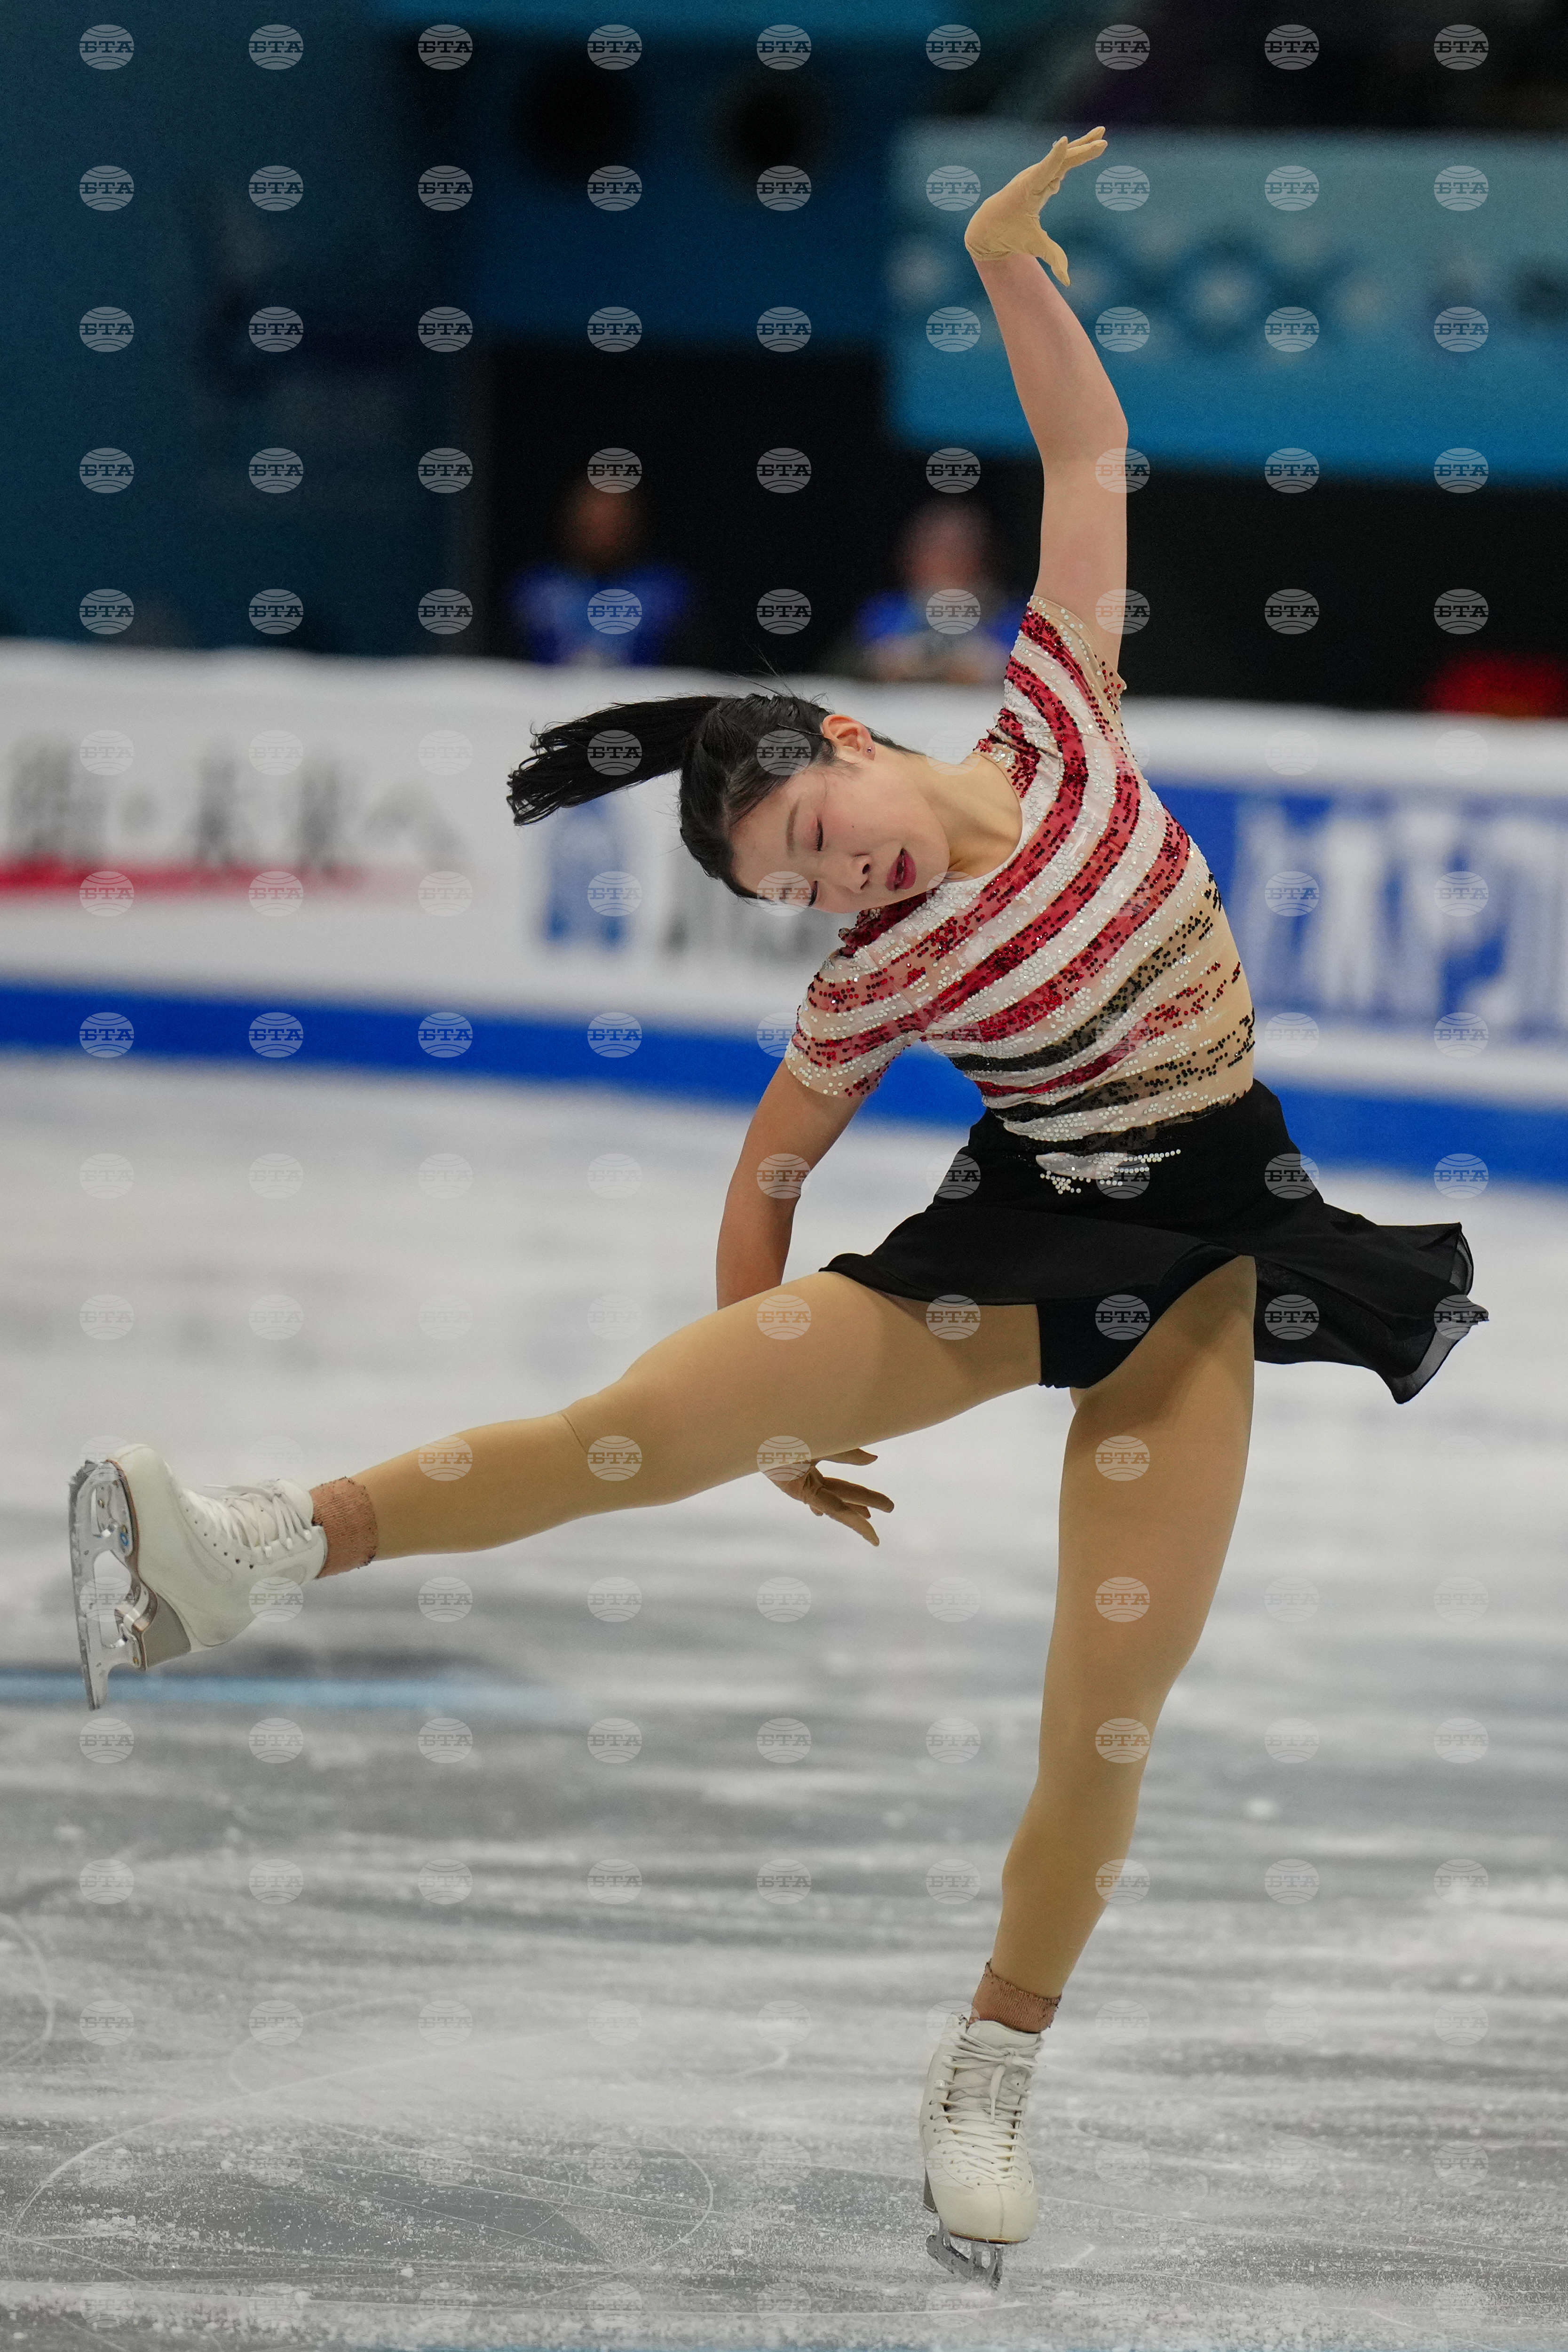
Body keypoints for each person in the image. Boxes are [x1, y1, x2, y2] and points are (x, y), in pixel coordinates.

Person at [70, 134, 1486, 2291]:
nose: (839, 878)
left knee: (1106, 1701)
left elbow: (1083, 450)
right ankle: (254, 1547)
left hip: (1210, 1249)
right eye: (795, 886)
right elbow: (771, 1169)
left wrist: (1006, 257)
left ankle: (990, 2063)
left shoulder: (1059, 711)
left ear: (847, 737)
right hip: (1014, 1238)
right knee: (636, 1430)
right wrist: (769, 1394)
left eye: (819, 830)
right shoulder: (874, 972)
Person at [505, 477, 697, 668]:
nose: (603, 533)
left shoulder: (665, 591)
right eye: (591, 523)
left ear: (635, 525)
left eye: (613, 522)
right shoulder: (536, 589)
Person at [841, 498, 1018, 685]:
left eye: (959, 551)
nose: (948, 562)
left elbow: (1017, 671)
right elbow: (863, 666)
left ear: (983, 559)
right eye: (935, 548)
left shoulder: (1012, 618)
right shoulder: (883, 612)